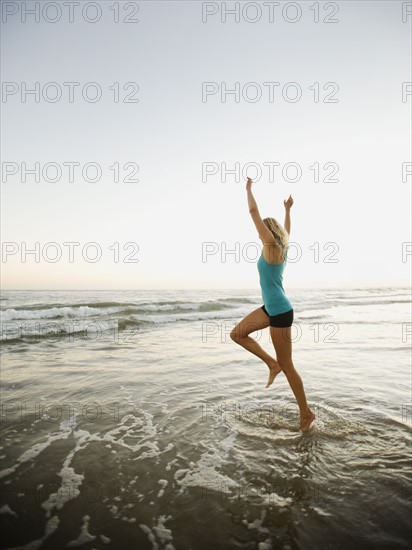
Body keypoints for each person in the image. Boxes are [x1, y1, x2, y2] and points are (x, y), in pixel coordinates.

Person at [230, 177, 315, 432]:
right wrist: (288, 211)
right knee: (237, 334)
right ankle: (271, 363)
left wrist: (248, 190)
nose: (259, 233)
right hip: (271, 307)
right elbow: (287, 231)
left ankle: (306, 413)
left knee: (288, 364)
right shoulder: (280, 247)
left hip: (279, 312)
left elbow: (253, 212)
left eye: (262, 231)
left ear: (268, 232)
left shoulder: (272, 247)